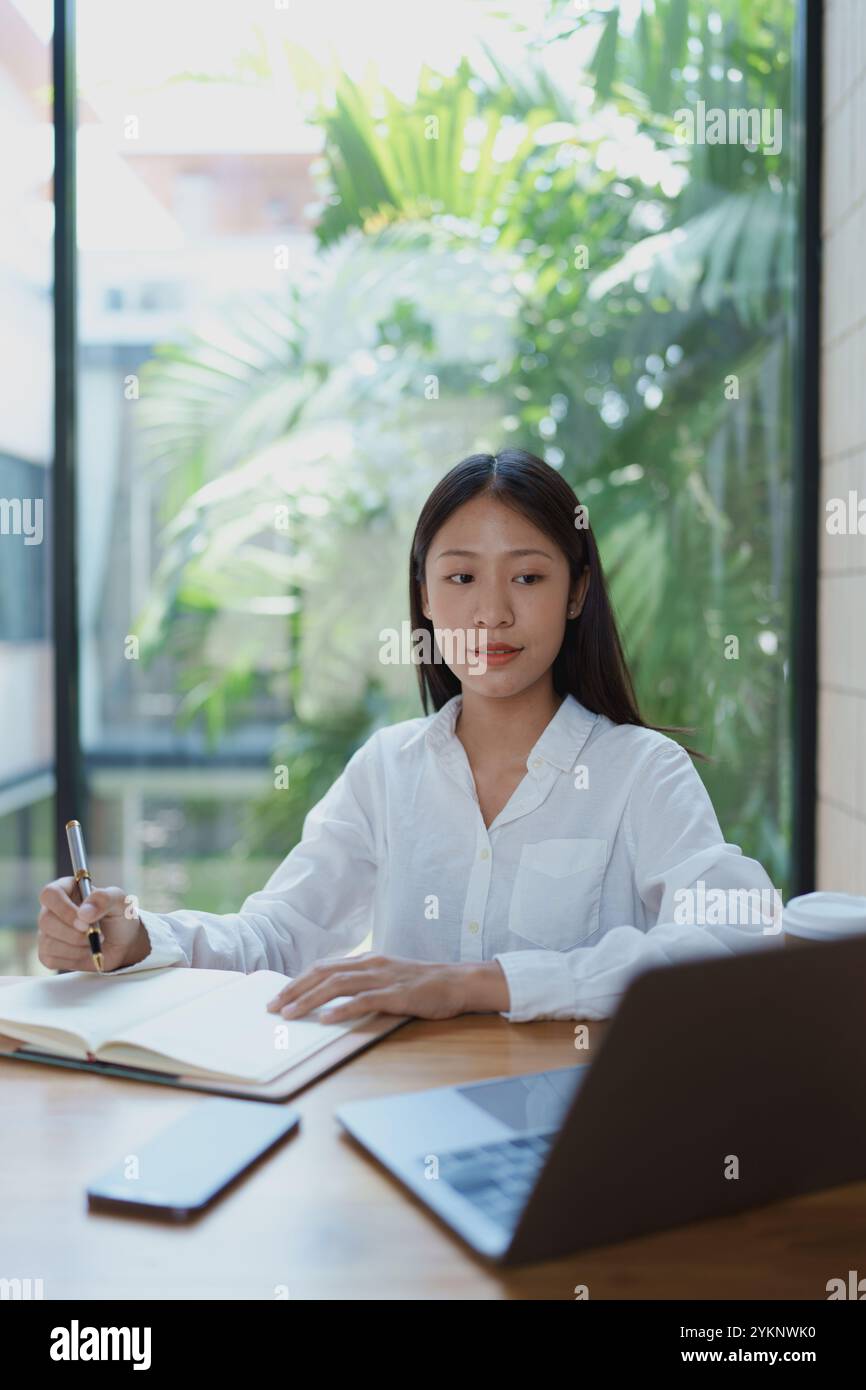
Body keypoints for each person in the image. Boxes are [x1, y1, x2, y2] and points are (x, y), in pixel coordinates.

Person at [37, 448, 783, 1024]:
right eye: (460, 579)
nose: (491, 614)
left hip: (579, 1130)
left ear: (577, 590)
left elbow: (734, 937)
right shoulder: (388, 770)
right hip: (401, 1111)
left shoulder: (638, 772)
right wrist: (133, 937)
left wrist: (477, 985)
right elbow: (278, 933)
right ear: (424, 595)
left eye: (527, 578)